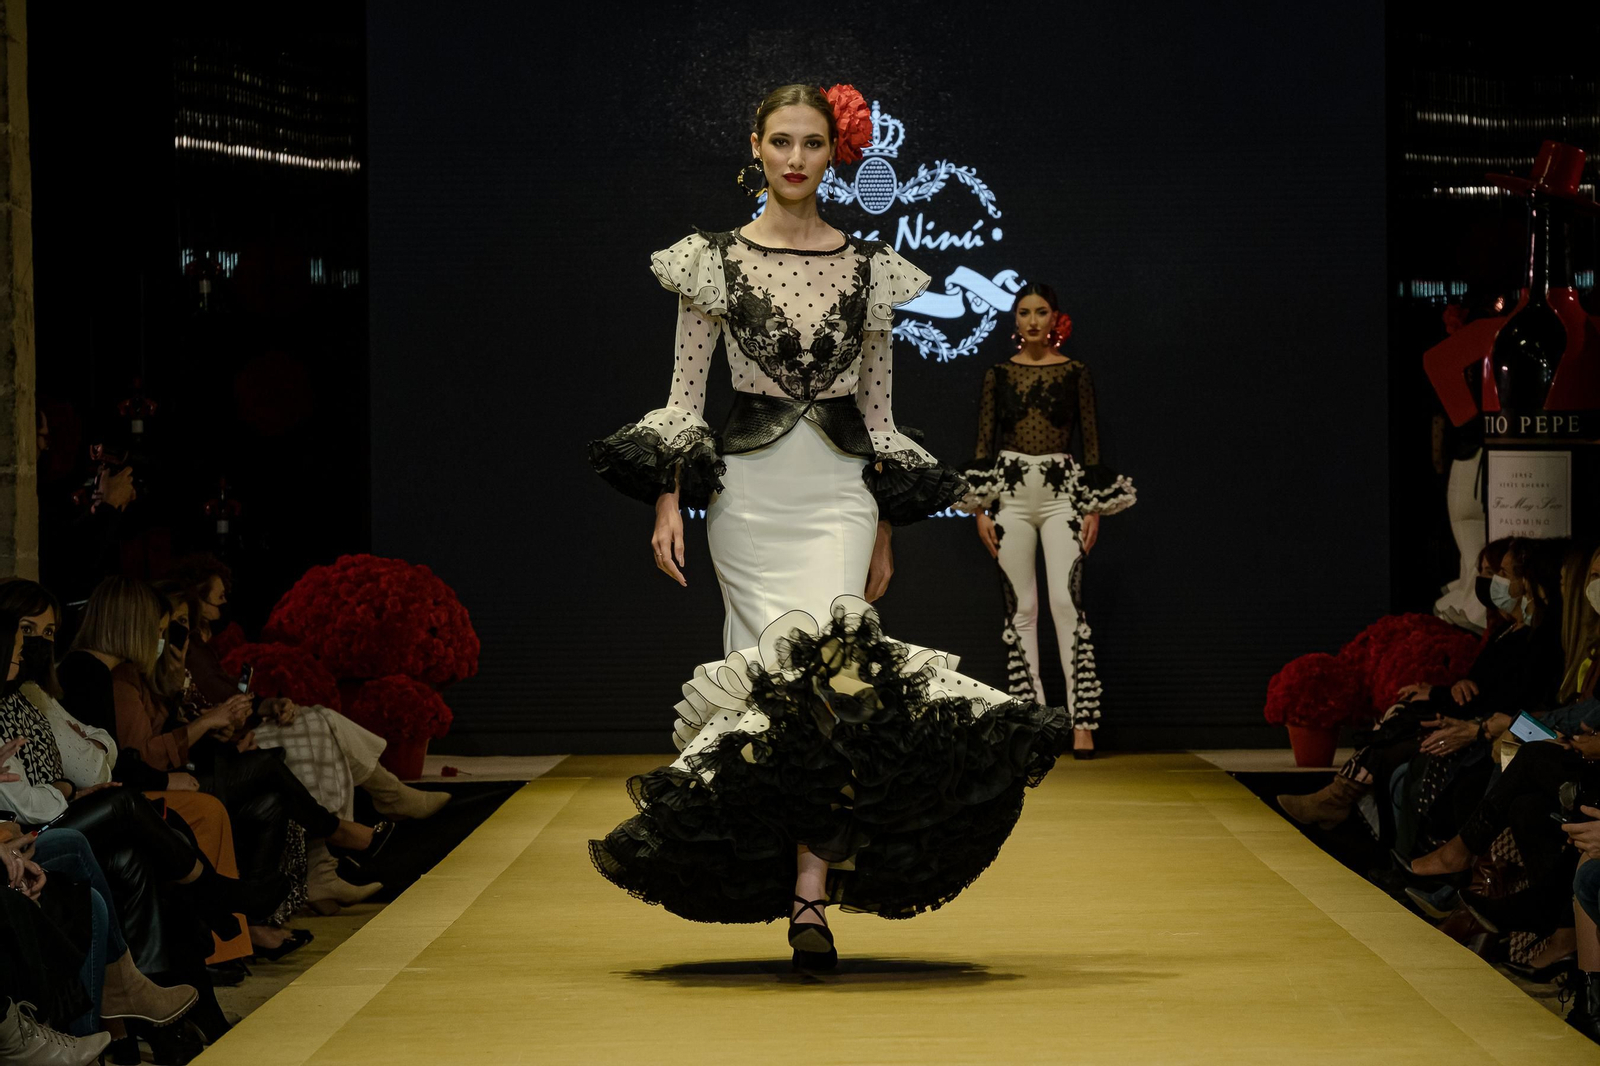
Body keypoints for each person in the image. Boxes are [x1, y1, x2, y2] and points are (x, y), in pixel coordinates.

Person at [585, 83, 1072, 969]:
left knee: (840, 682)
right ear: (756, 148)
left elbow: (881, 416)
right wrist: (668, 499)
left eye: (813, 141)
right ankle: (784, 877)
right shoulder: (712, 261)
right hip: (746, 495)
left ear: (834, 154)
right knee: (772, 681)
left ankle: (811, 899)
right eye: (782, 140)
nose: (798, 157)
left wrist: (885, 525)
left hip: (842, 494)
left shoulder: (871, 268)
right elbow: (684, 398)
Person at [1278, 536, 1564, 835]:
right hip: (1476, 718)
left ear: (1530, 582)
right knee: (1400, 727)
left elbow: (1504, 695)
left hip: (1488, 724)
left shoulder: (1537, 639)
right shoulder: (1505, 630)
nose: (1491, 582)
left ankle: (1344, 801)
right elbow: (1480, 683)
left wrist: (1451, 702)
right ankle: (1344, 801)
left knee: (1402, 748)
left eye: (1501, 574)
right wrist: (1456, 687)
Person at [958, 284, 1136, 758]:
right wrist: (980, 507)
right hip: (1012, 496)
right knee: (1021, 609)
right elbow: (984, 442)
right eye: (1024, 312)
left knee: (1065, 602)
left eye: (1041, 312)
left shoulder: (1076, 373)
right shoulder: (997, 374)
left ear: (1056, 318)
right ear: (1014, 320)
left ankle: (1082, 722)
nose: (1033, 320)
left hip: (1063, 495)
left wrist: (1094, 504)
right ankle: (1032, 721)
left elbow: (1091, 442)